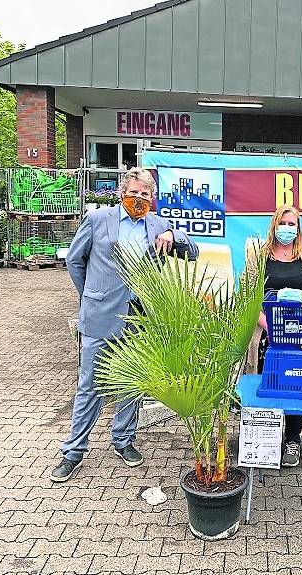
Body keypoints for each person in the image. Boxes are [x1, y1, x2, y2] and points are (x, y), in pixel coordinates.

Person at [50, 167, 199, 483]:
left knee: (131, 383)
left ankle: (123, 440)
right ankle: (73, 452)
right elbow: (75, 261)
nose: (139, 198)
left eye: (146, 194)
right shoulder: (97, 220)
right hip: (100, 316)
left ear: (152, 198)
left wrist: (174, 236)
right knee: (90, 385)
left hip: (139, 317)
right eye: (134, 192)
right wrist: (91, 294)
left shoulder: (158, 224)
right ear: (122, 193)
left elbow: (193, 253)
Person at [245, 205, 302, 467]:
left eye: (292, 224)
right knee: (268, 383)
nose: (287, 228)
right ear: (274, 225)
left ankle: (292, 439)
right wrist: (269, 325)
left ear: (298, 229)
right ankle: (265, 441)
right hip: (267, 331)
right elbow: (248, 296)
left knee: (295, 383)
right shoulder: (258, 256)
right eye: (283, 223)